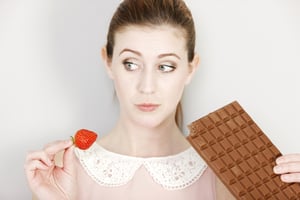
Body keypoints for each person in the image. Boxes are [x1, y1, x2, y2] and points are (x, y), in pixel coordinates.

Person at [24, 0, 300, 199]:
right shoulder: (61, 169)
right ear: (108, 62)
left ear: (191, 68)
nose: (147, 87)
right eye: (131, 63)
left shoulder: (232, 173)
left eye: (165, 66)